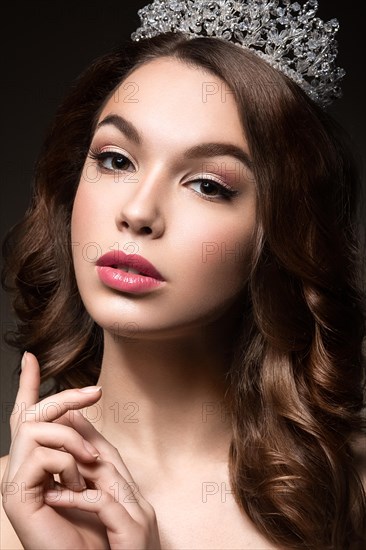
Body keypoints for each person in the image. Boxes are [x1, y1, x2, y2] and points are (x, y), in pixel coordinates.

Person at [1, 0, 365, 548]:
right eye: (116, 159)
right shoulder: (13, 507)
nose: (140, 212)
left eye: (208, 185)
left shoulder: (353, 490)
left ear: (279, 231)